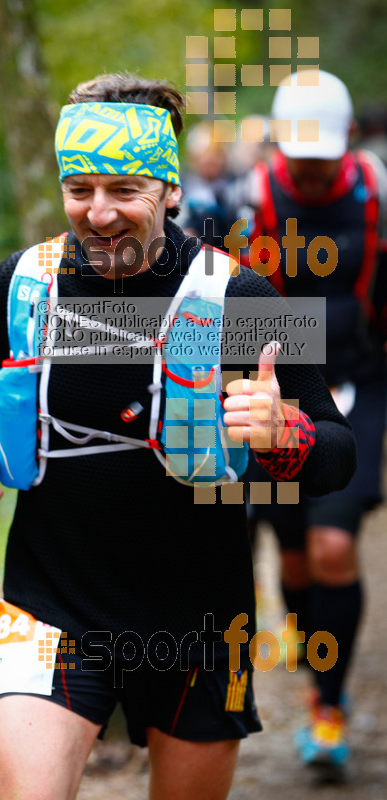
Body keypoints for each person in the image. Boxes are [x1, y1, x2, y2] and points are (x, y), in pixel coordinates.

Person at [0, 73, 356, 800]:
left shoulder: (241, 295)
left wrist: (279, 433)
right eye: (80, 189)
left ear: (169, 191)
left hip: (198, 625)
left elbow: (336, 450)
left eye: (124, 190)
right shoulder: (22, 282)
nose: (97, 214)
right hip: (52, 607)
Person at [227, 69, 387, 777]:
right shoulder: (250, 202)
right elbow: (229, 313)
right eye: (300, 156)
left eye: (322, 155)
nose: (311, 169)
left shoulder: (378, 196)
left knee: (330, 548)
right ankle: (308, 652)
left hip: (363, 382)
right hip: (277, 389)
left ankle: (328, 707)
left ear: (347, 141)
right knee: (291, 560)